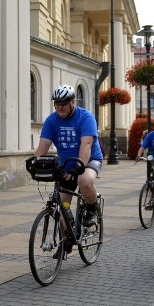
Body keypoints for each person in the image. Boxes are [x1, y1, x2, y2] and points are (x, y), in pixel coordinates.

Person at [34, 85, 102, 253]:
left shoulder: (85, 117)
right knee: (62, 204)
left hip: (89, 160)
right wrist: (35, 165)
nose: (60, 106)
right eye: (57, 103)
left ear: (73, 102)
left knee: (84, 180)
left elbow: (86, 145)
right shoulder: (52, 120)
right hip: (66, 165)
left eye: (64, 103)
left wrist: (77, 168)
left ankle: (92, 209)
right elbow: (42, 147)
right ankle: (67, 239)